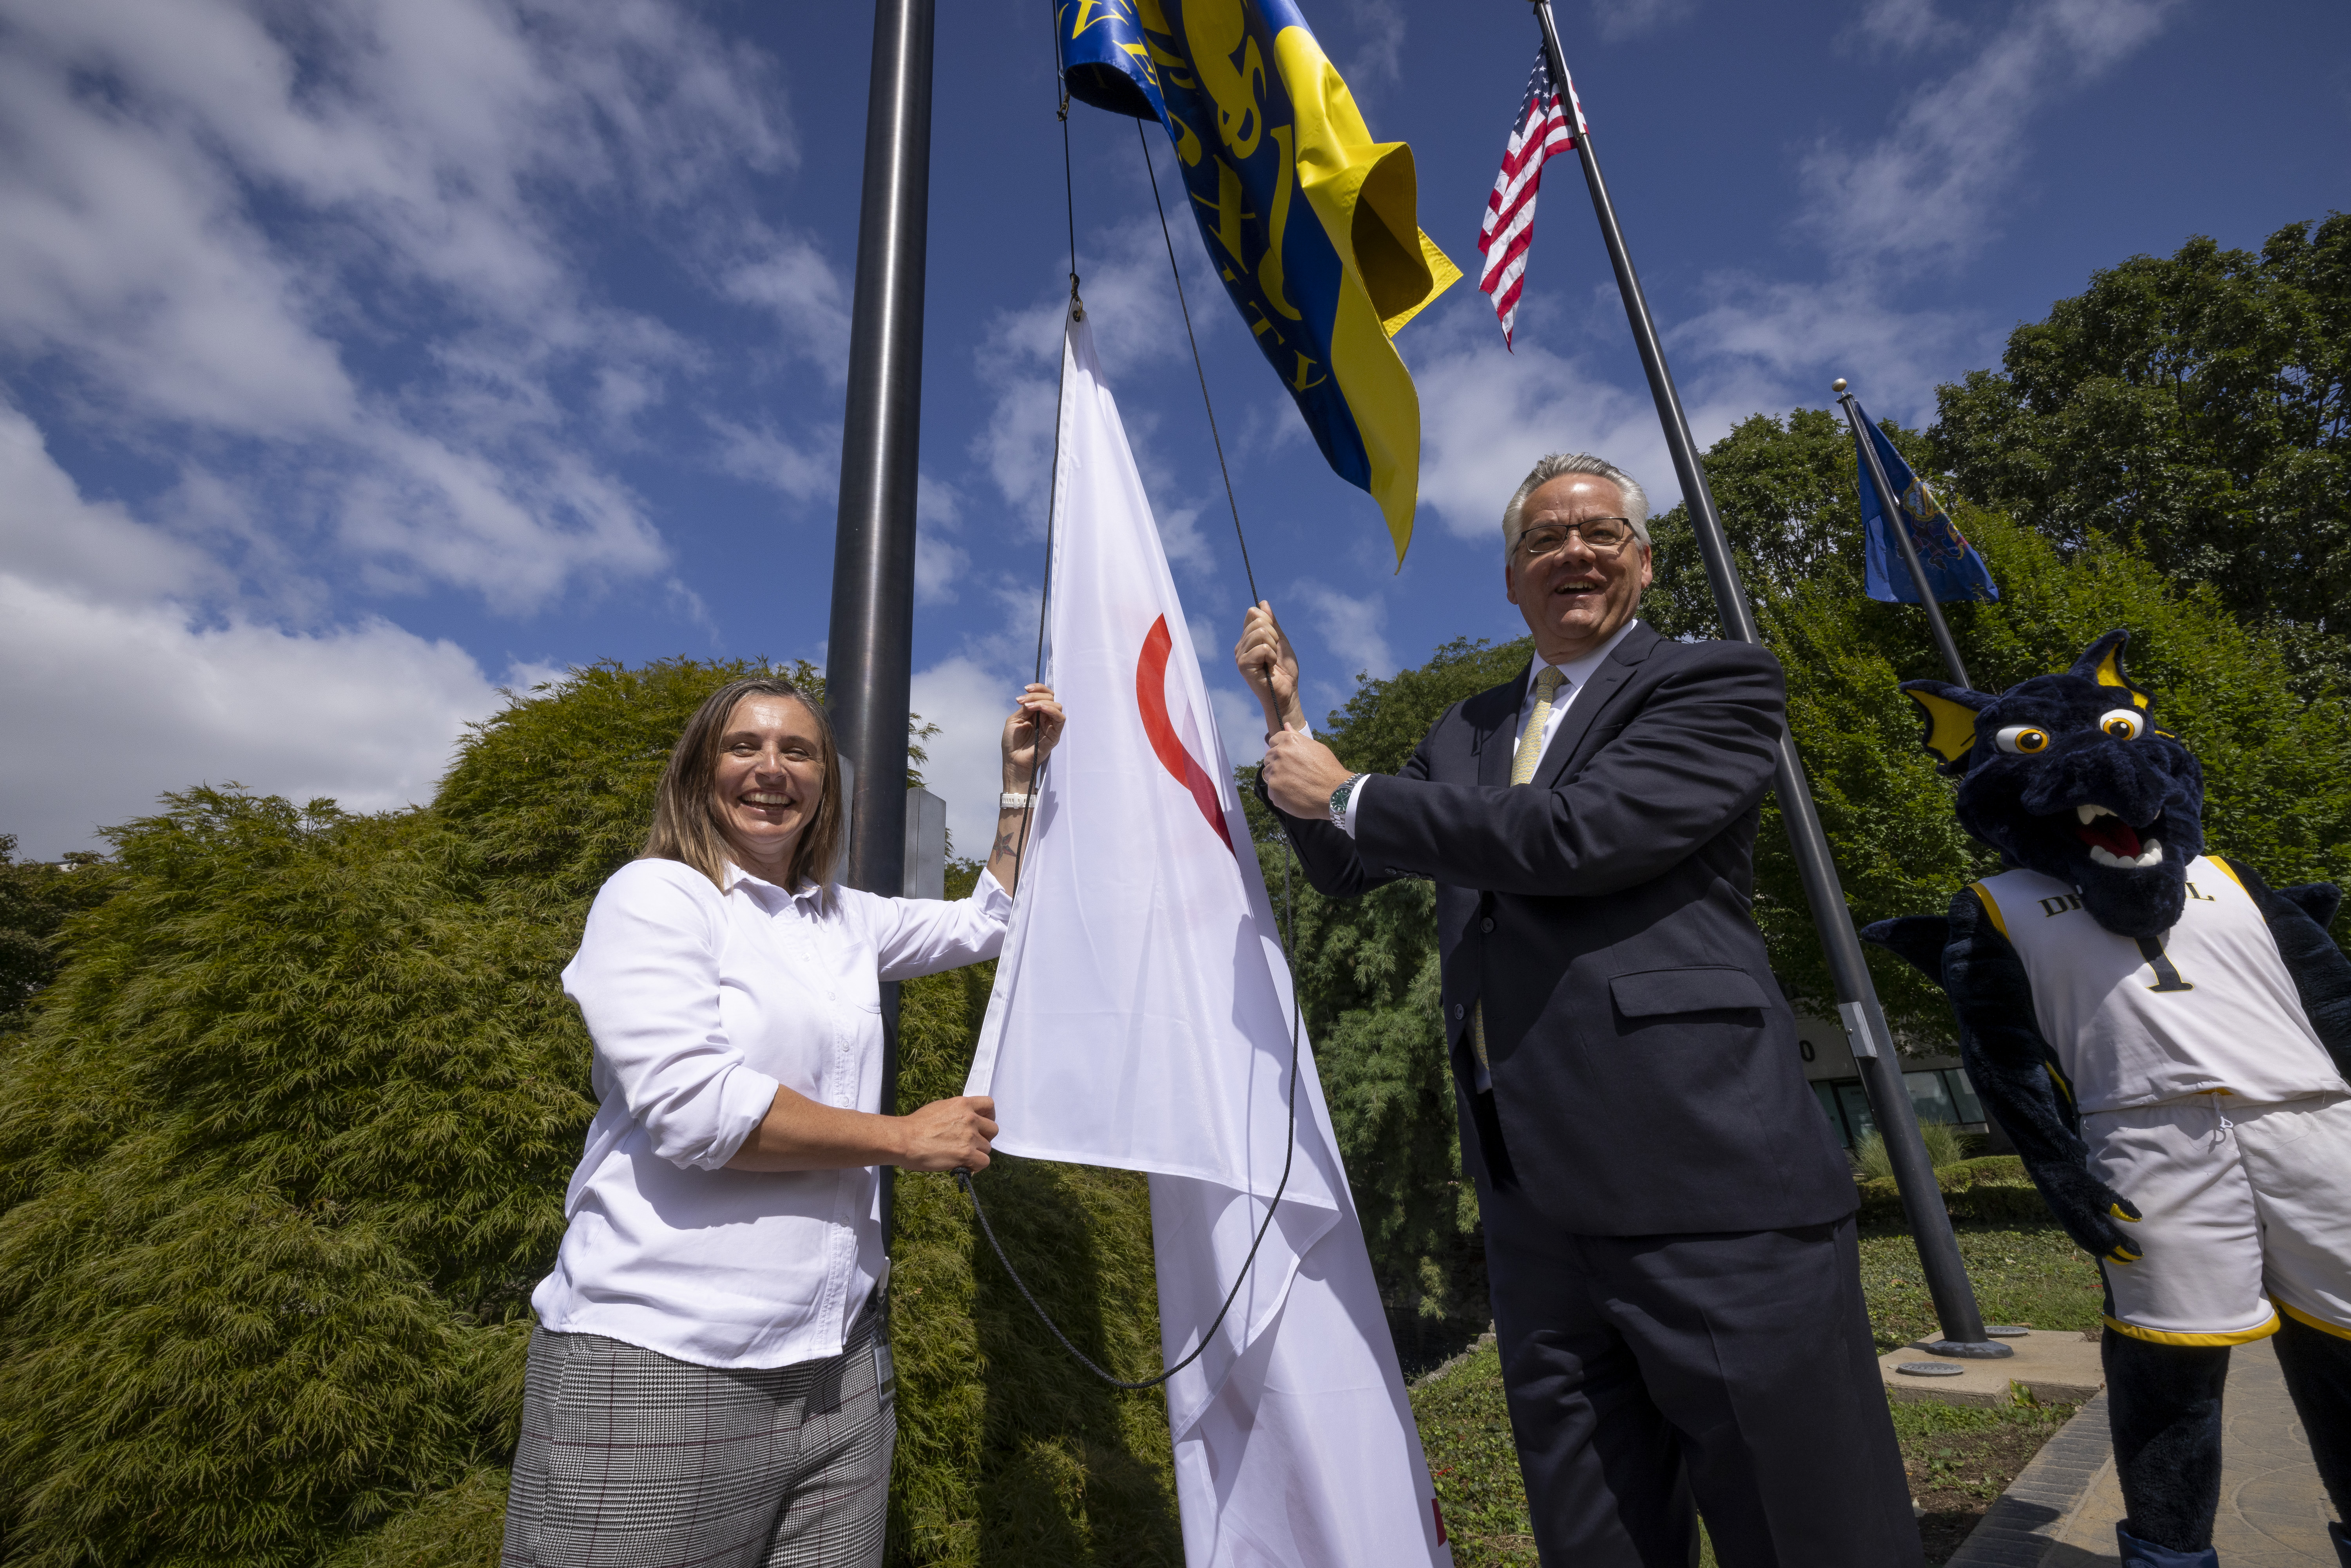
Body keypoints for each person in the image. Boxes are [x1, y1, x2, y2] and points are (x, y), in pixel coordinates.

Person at [1237, 453, 1920, 1567]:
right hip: (1532, 1203)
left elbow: (1582, 837)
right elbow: (1350, 865)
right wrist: (1291, 720)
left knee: (1804, 1524)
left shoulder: (1714, 684)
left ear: (1644, 564)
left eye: (1602, 532)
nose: (1576, 551)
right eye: (1546, 539)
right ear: (1512, 580)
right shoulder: (1466, 727)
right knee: (1595, 1528)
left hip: (1708, 1180)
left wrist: (1353, 791)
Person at [501, 674, 1063, 1568]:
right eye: (744, 747)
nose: (771, 769)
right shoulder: (657, 896)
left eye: (797, 751)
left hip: (841, 1375)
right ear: (699, 773)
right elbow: (697, 1109)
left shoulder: (842, 921)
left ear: (824, 787)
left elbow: (990, 920)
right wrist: (904, 1138)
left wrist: (1020, 784)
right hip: (664, 1365)